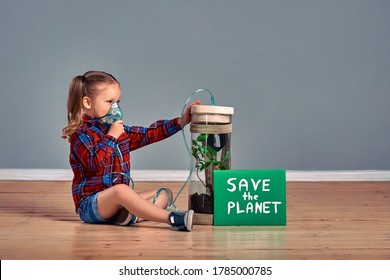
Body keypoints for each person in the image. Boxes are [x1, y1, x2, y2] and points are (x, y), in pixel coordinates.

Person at [62, 70, 199, 231]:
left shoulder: (119, 131)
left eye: (117, 102)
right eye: (109, 101)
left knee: (165, 195)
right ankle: (172, 219)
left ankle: (126, 215)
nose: (115, 108)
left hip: (117, 202)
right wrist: (111, 137)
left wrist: (181, 121)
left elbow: (149, 133)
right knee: (121, 190)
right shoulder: (81, 134)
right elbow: (94, 164)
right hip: (91, 205)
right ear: (87, 103)